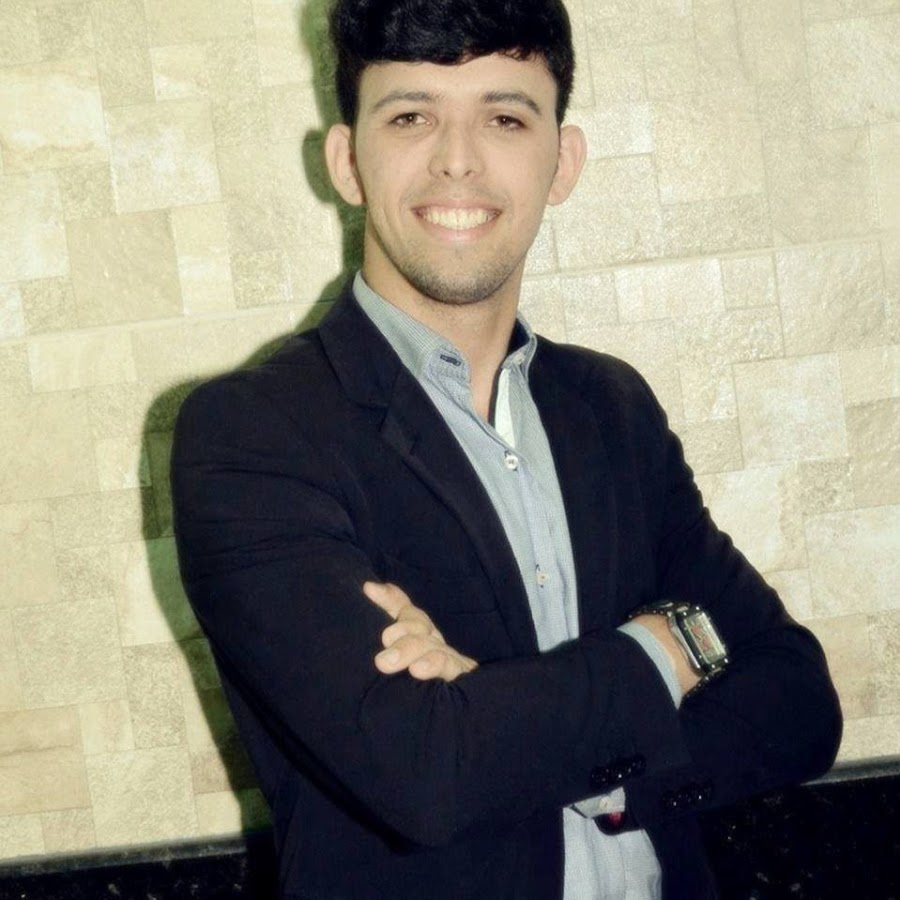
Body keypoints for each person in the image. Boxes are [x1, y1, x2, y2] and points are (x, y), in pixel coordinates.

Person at [170, 1, 842, 897]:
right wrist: (668, 647)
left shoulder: (612, 409)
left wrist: (507, 715)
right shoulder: (252, 435)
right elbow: (426, 773)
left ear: (563, 162)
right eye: (411, 116)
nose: (458, 158)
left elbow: (799, 702)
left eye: (506, 118)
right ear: (347, 161)